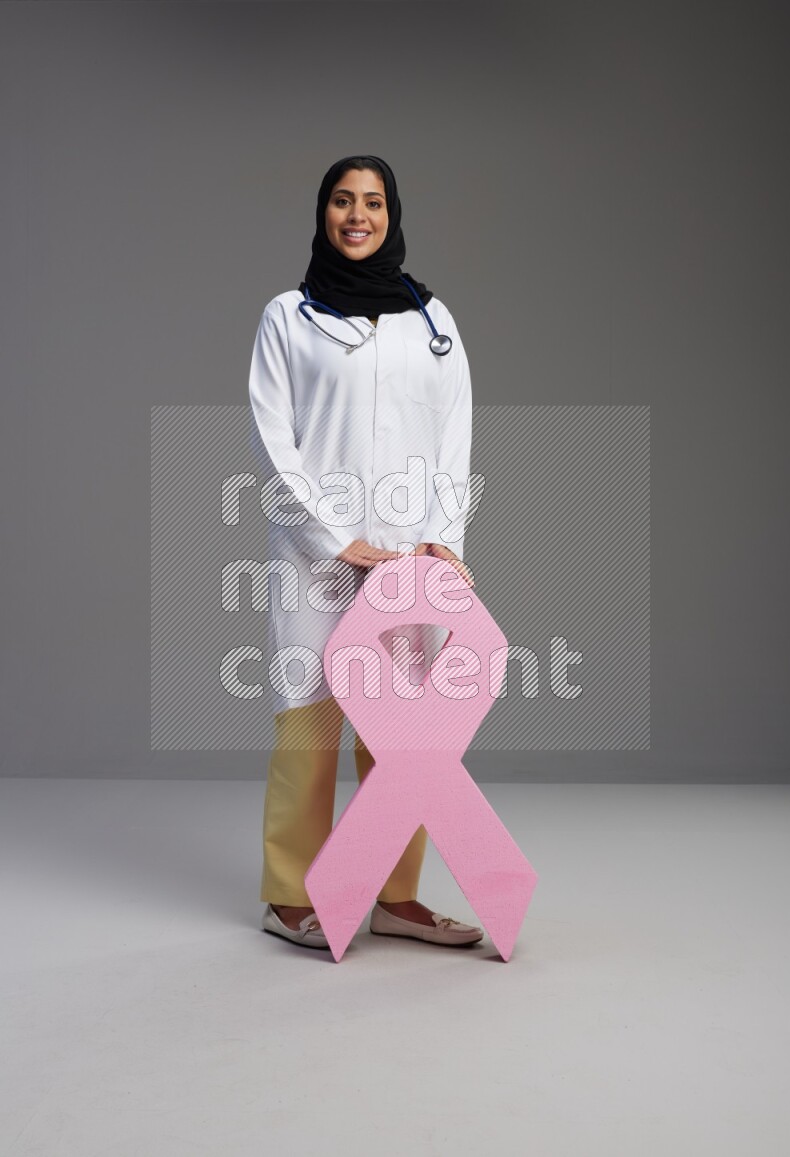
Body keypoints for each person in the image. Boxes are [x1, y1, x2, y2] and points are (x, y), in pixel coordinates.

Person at [248, 154, 482, 950]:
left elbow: (455, 442)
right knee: (308, 729)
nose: (358, 215)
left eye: (373, 201)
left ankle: (393, 894)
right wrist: (334, 539)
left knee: (403, 739)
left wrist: (442, 541)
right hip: (316, 557)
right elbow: (272, 441)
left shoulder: (435, 324)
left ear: (392, 213)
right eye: (343, 201)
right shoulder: (288, 316)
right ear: (322, 213)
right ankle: (289, 893)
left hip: (408, 561)